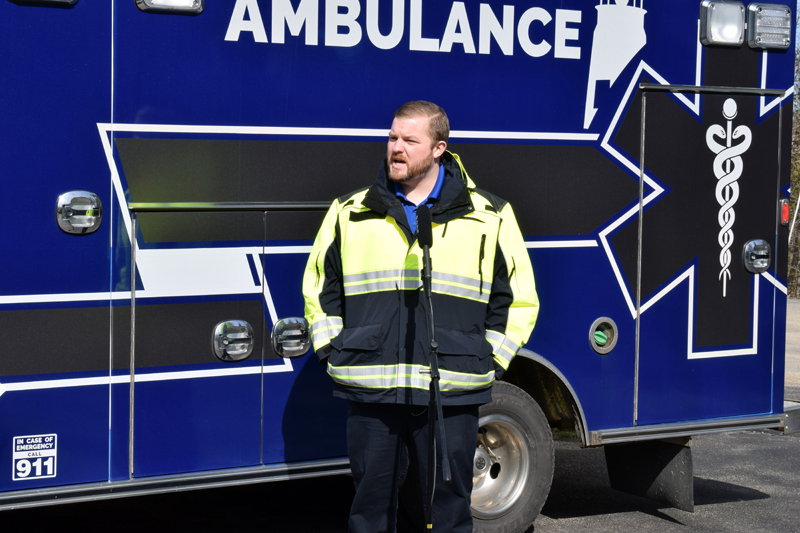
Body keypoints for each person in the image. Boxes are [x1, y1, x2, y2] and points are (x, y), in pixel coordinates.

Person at [302, 101, 539, 532]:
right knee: (369, 512)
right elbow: (321, 288)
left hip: (450, 389)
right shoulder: (350, 212)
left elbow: (518, 300)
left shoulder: (489, 216)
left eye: (410, 140)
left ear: (438, 149)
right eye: (392, 137)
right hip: (372, 389)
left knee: (449, 512)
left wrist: (488, 360)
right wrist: (333, 353)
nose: (396, 148)